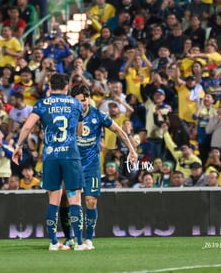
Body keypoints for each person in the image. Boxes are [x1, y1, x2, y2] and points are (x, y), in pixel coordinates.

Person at [12, 73, 86, 251]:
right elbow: (80, 132)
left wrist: (18, 146)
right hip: (70, 155)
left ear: (50, 87)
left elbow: (28, 126)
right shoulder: (76, 104)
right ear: (67, 88)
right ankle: (80, 243)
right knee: (74, 198)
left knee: (54, 199)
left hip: (51, 156)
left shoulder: (42, 104)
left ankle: (53, 242)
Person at [60, 84, 137, 249]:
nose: (82, 104)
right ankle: (72, 238)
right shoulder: (66, 116)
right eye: (78, 100)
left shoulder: (98, 115)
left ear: (89, 99)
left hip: (92, 164)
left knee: (91, 201)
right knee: (69, 201)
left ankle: (89, 240)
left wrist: (131, 150)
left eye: (84, 100)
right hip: (72, 164)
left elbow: (118, 131)